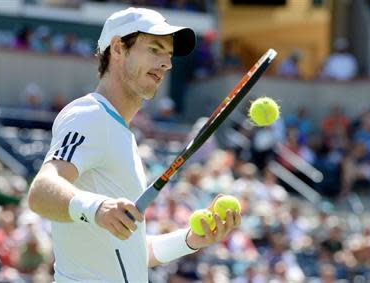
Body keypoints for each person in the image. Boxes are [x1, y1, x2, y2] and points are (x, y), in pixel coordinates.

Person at [27, 7, 241, 282]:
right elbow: (41, 192)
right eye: (155, 49)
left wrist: (190, 239)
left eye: (169, 55)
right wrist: (97, 208)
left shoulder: (122, 134)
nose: (167, 63)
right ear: (118, 48)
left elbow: (134, 253)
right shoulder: (89, 115)